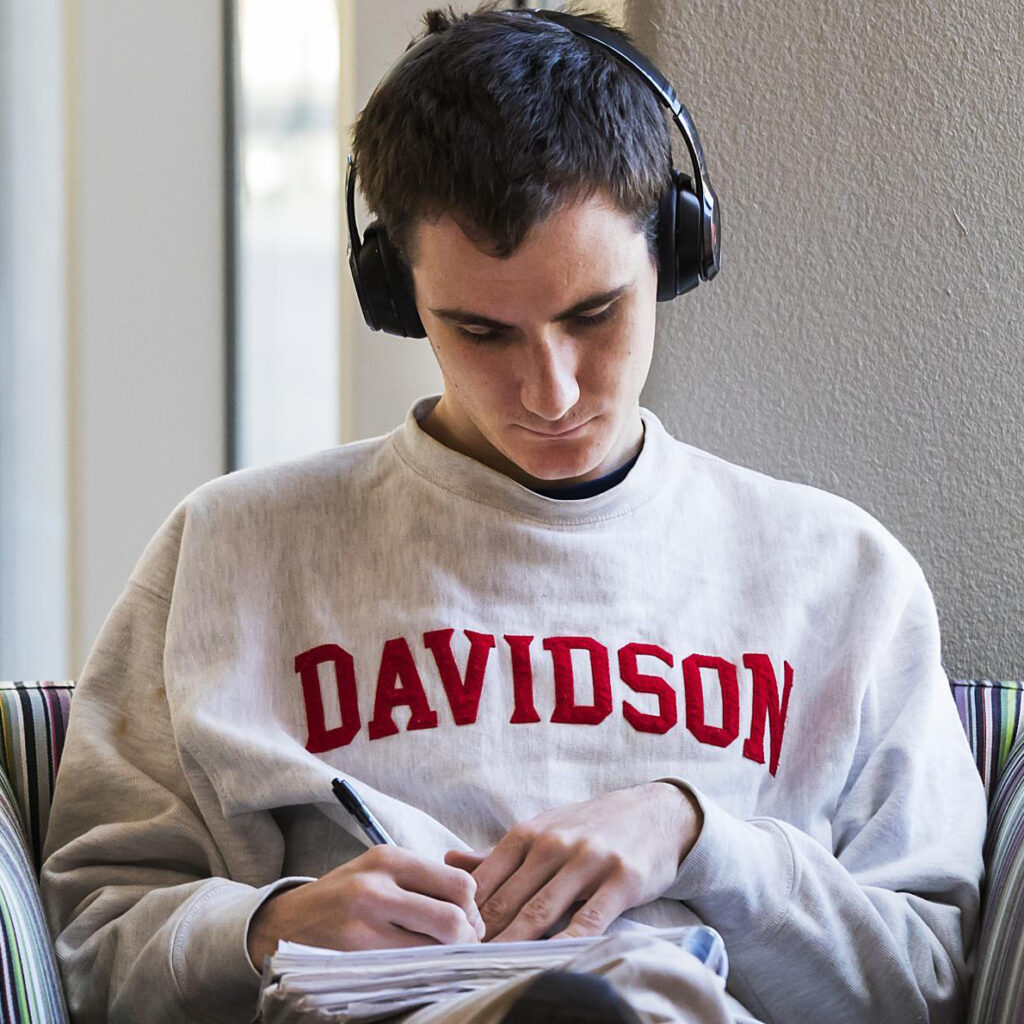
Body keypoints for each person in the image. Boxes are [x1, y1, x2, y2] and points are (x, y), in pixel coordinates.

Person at [40, 5, 987, 1024]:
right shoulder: (233, 549)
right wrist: (267, 926)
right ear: (397, 296)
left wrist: (696, 835)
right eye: (480, 330)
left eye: (593, 314)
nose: (550, 390)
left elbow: (918, 984)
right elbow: (89, 940)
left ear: (675, 249)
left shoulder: (838, 578)